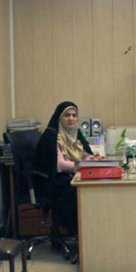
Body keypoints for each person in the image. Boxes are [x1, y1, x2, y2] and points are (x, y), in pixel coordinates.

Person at [35, 101, 99, 235]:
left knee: (91, 187)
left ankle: (90, 231)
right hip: (53, 180)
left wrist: (91, 158)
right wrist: (81, 166)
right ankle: (77, 231)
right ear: (59, 117)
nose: (71, 118)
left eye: (74, 115)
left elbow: (84, 153)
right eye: (67, 115)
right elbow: (60, 164)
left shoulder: (75, 133)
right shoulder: (52, 135)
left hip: (70, 174)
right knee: (76, 191)